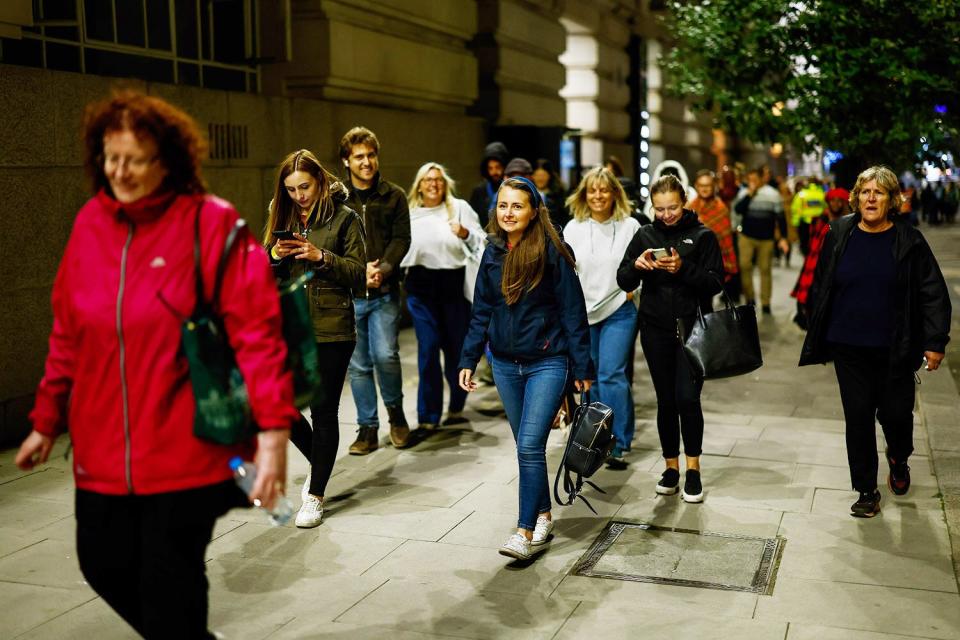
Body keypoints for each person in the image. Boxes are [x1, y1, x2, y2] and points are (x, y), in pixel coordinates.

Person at [15, 91, 298, 638]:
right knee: (102, 564)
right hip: (101, 450)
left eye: (135, 158)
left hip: (185, 452)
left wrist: (272, 436)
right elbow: (68, 332)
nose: (119, 171)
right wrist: (45, 420)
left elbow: (258, 336)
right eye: (109, 156)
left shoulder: (210, 224)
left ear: (168, 160)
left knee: (170, 588)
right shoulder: (90, 224)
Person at [800, 166, 951, 518]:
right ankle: (866, 490)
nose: (871, 198)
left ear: (892, 200)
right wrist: (816, 323)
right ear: (856, 197)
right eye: (865, 192)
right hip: (848, 344)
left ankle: (899, 458)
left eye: (879, 193)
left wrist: (935, 341)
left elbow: (933, 293)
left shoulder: (909, 240)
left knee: (897, 415)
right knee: (858, 417)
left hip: (895, 347)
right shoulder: (839, 232)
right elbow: (822, 283)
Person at [458, 177, 594, 561]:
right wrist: (469, 358)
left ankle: (524, 530)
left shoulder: (552, 250)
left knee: (531, 445)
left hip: (547, 362)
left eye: (517, 206)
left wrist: (582, 365)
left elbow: (572, 311)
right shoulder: (492, 251)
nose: (509, 213)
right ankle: (544, 515)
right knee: (526, 447)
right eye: (503, 205)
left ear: (534, 210)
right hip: (503, 363)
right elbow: (481, 310)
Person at [265, 149, 365, 528]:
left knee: (323, 414)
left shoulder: (344, 218)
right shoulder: (283, 215)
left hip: (331, 329)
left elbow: (358, 273)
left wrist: (320, 256)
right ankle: (320, 463)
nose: (298, 196)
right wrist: (274, 253)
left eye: (304, 187)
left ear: (320, 181)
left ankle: (315, 495)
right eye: (290, 189)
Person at [617, 175, 723, 503]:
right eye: (660, 208)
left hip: (693, 329)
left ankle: (693, 469)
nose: (666, 214)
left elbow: (716, 282)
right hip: (654, 328)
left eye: (673, 207)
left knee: (687, 398)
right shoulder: (645, 234)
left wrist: (683, 269)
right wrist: (637, 267)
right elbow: (623, 280)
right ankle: (671, 468)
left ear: (685, 200)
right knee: (666, 400)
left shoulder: (702, 236)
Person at [339, 126, 412, 454]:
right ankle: (367, 429)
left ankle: (396, 416)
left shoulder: (393, 195)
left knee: (385, 355)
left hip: (384, 292)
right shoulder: (336, 199)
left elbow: (402, 239)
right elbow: (332, 243)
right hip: (351, 294)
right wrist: (357, 273)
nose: (366, 162)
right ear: (346, 161)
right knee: (358, 365)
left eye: (370, 155)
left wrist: (382, 270)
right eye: (359, 157)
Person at [563, 167, 640, 466]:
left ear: (614, 194)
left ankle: (620, 440)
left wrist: (636, 288)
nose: (598, 195)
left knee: (612, 374)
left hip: (618, 309)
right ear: (584, 194)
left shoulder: (630, 225)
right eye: (592, 190)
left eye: (604, 190)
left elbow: (640, 263)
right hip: (583, 313)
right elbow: (566, 270)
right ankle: (593, 438)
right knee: (589, 379)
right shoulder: (573, 228)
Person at [401, 163, 485, 430]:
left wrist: (465, 233)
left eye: (438, 180)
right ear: (419, 185)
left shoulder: (460, 208)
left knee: (454, 351)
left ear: (445, 183)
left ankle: (457, 404)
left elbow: (481, 241)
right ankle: (428, 415)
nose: (433, 184)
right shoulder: (410, 213)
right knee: (427, 348)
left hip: (453, 286)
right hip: (420, 287)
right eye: (427, 180)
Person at [732, 167, 790, 314]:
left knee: (765, 269)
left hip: (766, 239)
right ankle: (750, 298)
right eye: (749, 180)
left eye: (754, 180)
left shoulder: (773, 194)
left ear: (761, 179)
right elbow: (738, 209)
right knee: (744, 266)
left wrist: (783, 237)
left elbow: (781, 217)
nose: (752, 183)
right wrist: (749, 195)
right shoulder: (744, 193)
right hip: (747, 236)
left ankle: (765, 302)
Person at [791, 187, 849, 329]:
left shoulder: (848, 223)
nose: (835, 204)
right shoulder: (819, 220)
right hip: (815, 266)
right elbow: (812, 246)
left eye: (839, 201)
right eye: (832, 200)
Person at [688, 169, 738, 297]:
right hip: (690, 263)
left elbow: (725, 240)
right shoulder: (689, 207)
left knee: (706, 301)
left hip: (711, 263)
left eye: (708, 185)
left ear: (714, 186)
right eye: (701, 185)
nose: (705, 189)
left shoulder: (721, 209)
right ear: (696, 186)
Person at [469, 141, 509, 227]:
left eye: (498, 167)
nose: (494, 172)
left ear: (504, 167)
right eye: (490, 168)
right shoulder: (479, 191)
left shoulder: (512, 190)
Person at [791, 177, 826, 256]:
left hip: (804, 223)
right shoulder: (822, 194)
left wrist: (795, 223)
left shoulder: (801, 194)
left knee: (805, 244)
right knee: (818, 244)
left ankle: (807, 258)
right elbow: (826, 208)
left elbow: (795, 209)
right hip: (819, 223)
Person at [532, 158, 569, 227]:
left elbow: (564, 218)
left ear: (549, 176)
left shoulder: (559, 195)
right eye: (537, 175)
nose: (540, 179)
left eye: (543, 175)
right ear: (532, 176)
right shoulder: (528, 194)